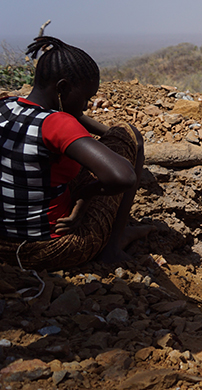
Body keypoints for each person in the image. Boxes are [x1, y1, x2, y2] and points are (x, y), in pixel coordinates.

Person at [0, 36, 151, 270]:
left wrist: (74, 112)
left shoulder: (6, 106)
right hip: (51, 250)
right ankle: (113, 246)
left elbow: (71, 116)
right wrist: (85, 195)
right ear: (62, 88)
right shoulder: (55, 124)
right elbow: (123, 177)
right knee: (130, 134)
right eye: (86, 98)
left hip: (3, 246)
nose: (86, 106)